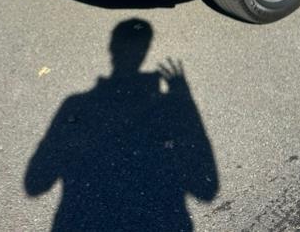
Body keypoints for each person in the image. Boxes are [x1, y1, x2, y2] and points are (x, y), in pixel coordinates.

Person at [25, 19, 218, 231]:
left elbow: (35, 183)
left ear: (111, 49)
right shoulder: (166, 108)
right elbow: (205, 188)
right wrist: (183, 99)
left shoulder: (75, 106)